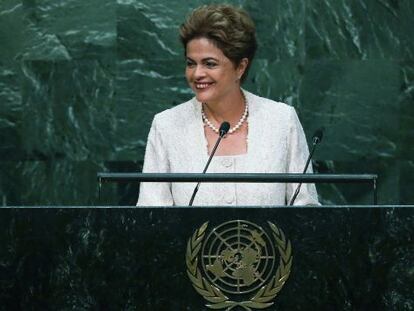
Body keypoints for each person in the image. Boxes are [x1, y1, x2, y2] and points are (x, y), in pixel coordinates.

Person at [137, 4, 319, 206]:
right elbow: (152, 220)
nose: (197, 74)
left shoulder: (282, 121)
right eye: (191, 63)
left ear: (240, 67)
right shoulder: (166, 126)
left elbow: (307, 214)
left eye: (210, 63)